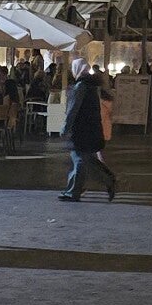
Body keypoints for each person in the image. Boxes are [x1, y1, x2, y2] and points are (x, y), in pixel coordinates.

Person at [58, 65, 116, 202]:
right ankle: (106, 179)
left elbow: (73, 109)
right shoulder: (92, 87)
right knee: (85, 159)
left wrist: (66, 127)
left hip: (81, 129)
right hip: (91, 128)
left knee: (79, 159)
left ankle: (74, 191)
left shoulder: (81, 87)